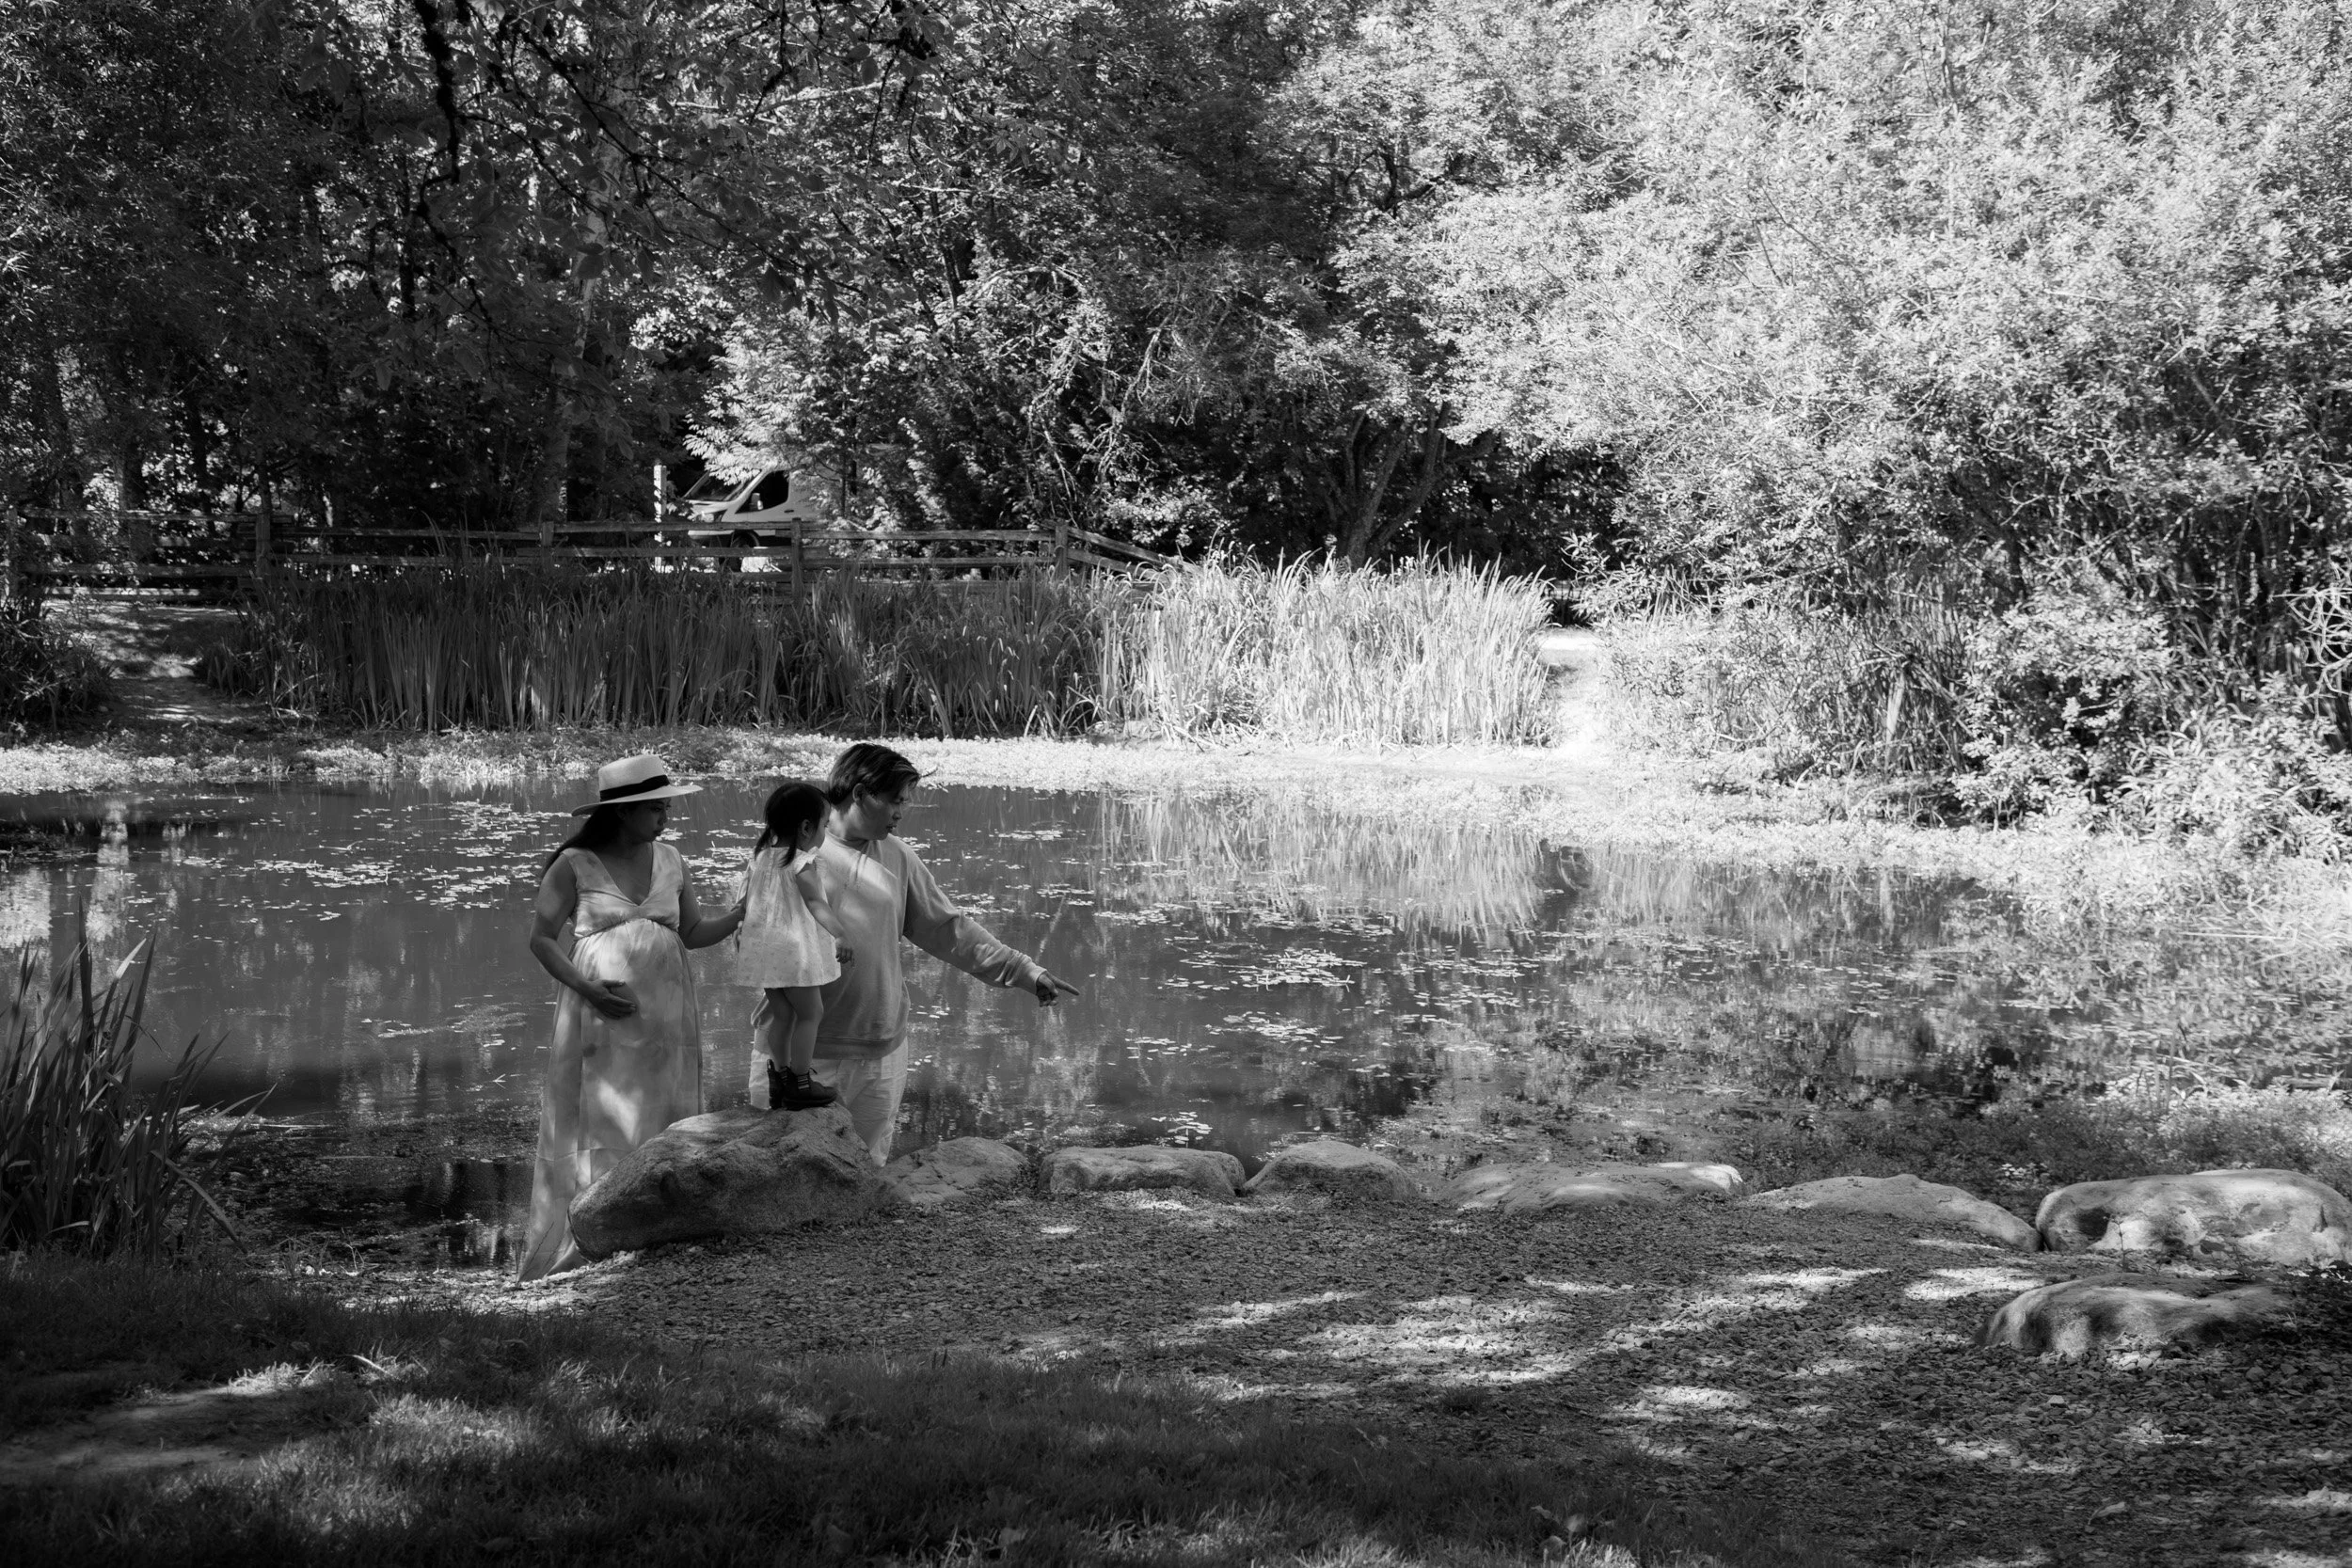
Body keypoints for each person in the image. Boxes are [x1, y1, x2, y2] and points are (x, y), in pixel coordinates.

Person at [754, 742, 1080, 1164]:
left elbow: (949, 931)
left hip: (878, 1051)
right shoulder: (788, 851)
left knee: (866, 1172)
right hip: (796, 1058)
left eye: (905, 801)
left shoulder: (897, 856)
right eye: (894, 800)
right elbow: (754, 932)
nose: (900, 812)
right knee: (775, 1173)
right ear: (859, 793)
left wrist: (1023, 970)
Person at [517, 753, 743, 1281]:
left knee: (663, 1117)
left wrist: (739, 914)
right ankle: (592, 1233)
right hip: (601, 1016)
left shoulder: (671, 860)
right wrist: (586, 988)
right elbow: (541, 940)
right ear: (622, 812)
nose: (666, 817)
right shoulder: (574, 865)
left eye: (666, 807)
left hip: (668, 1023)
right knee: (600, 1114)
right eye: (656, 809)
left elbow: (692, 933)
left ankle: (656, 1231)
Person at [739, 780, 854, 1113]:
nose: (824, 834)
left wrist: (742, 936)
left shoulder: (760, 858)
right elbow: (817, 904)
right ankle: (800, 1082)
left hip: (766, 957)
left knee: (784, 1014)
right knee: (812, 1012)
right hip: (791, 957)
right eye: (823, 826)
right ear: (806, 827)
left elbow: (744, 905)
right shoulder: (801, 863)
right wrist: (840, 934)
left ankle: (780, 1077)